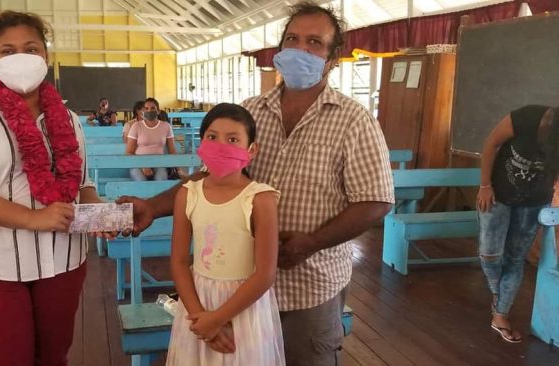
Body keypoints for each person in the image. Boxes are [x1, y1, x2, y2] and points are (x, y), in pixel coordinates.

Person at [118, 3, 394, 365]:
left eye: (314, 42)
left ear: (332, 57)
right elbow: (208, 178)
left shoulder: (354, 120)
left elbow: (376, 201)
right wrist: (153, 207)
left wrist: (310, 243)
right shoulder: (249, 111)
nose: (300, 50)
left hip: (307, 288)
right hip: (234, 288)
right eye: (292, 39)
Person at [0, 10, 104, 366]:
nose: (20, 58)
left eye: (31, 48)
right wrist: (33, 219)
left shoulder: (68, 118)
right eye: (7, 51)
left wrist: (100, 216)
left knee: (54, 357)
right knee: (6, 359)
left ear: (46, 56)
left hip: (64, 259)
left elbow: (82, 183)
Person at [165, 103, 285, 365]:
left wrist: (217, 319)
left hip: (243, 309)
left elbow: (265, 274)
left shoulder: (260, 199)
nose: (221, 145)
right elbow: (179, 261)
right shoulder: (188, 193)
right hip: (197, 303)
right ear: (202, 142)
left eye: (233, 139)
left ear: (251, 149)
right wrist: (201, 318)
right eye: (212, 137)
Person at [476, 105, 559, 343]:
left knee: (515, 257)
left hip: (533, 202)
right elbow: (491, 144)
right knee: (489, 256)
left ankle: (500, 313)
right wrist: (484, 185)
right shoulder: (526, 117)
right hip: (496, 195)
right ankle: (496, 294)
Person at [125, 97, 183, 181]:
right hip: (138, 164)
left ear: (158, 111)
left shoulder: (166, 126)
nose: (149, 111)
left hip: (159, 164)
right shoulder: (136, 126)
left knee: (161, 178)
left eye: (152, 108)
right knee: (141, 180)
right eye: (146, 108)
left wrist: (179, 170)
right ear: (143, 111)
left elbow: (172, 150)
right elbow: (129, 152)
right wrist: (143, 166)